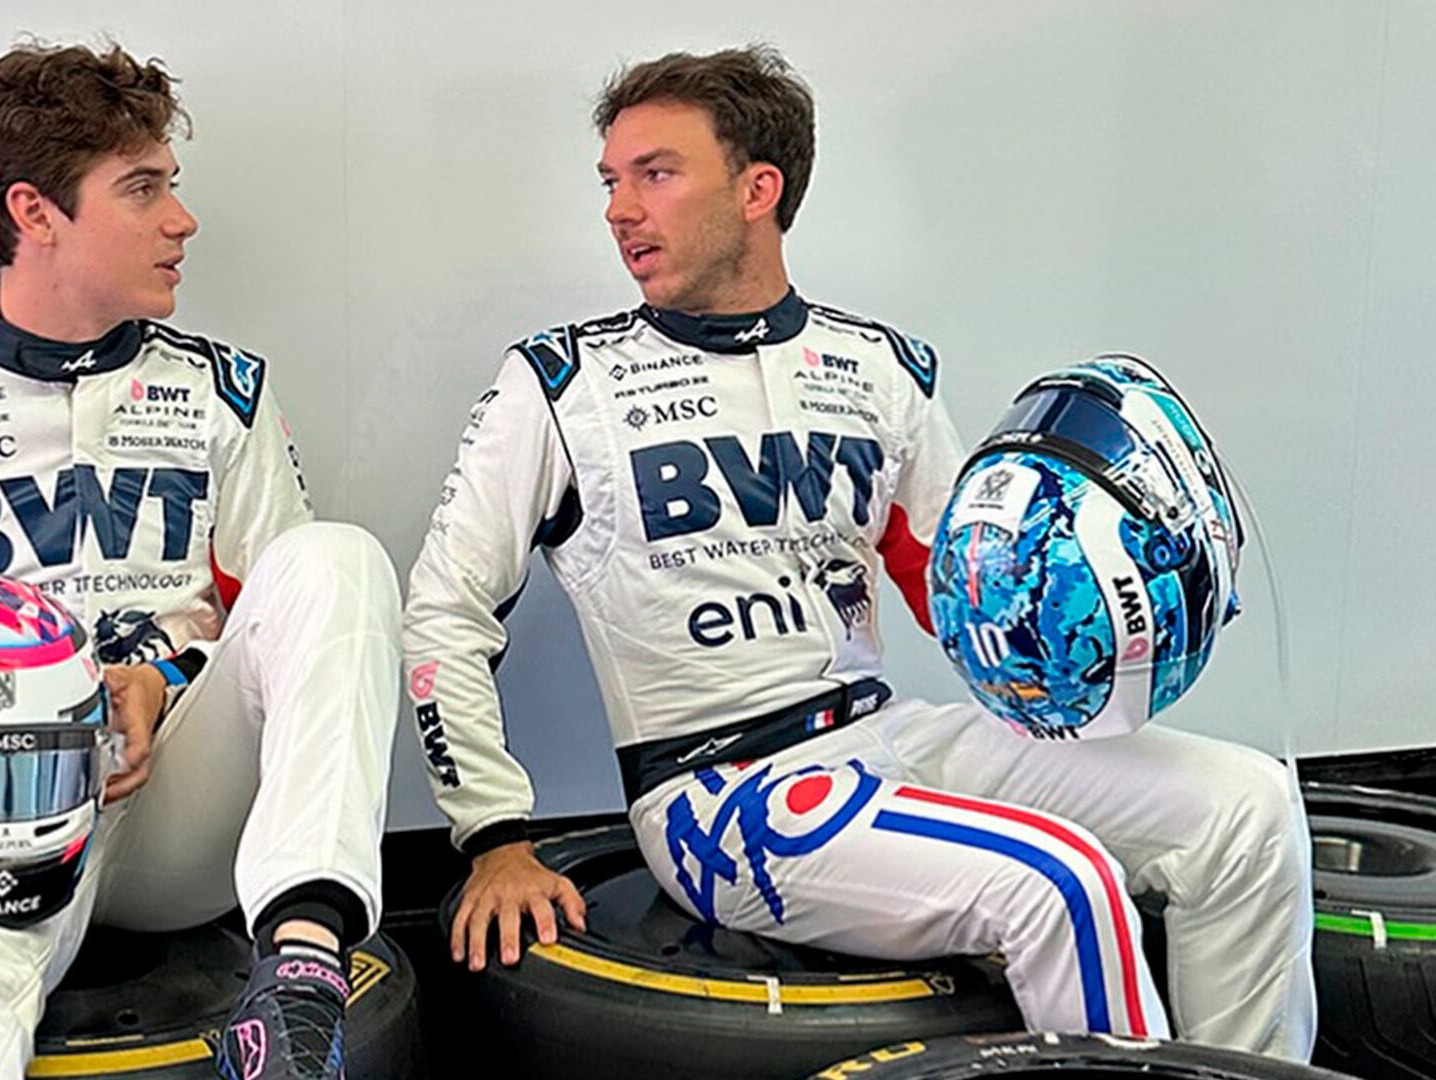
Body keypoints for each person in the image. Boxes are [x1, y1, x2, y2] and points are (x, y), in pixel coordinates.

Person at [402, 44, 1315, 1057]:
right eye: (611, 181)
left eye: (655, 174)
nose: (620, 209)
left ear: (758, 189)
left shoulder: (878, 368)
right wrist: (494, 837)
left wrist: (1102, 599)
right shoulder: (560, 383)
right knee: (1062, 882)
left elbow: (966, 595)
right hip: (718, 791)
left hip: (887, 740)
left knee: (1247, 806)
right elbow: (444, 611)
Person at [0, 42, 399, 1080]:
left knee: (336, 559)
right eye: (143, 190)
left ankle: (301, 979)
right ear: (34, 212)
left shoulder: (224, 391)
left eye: (171, 186)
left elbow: (290, 628)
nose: (182, 220)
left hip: (180, 802)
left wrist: (162, 678)